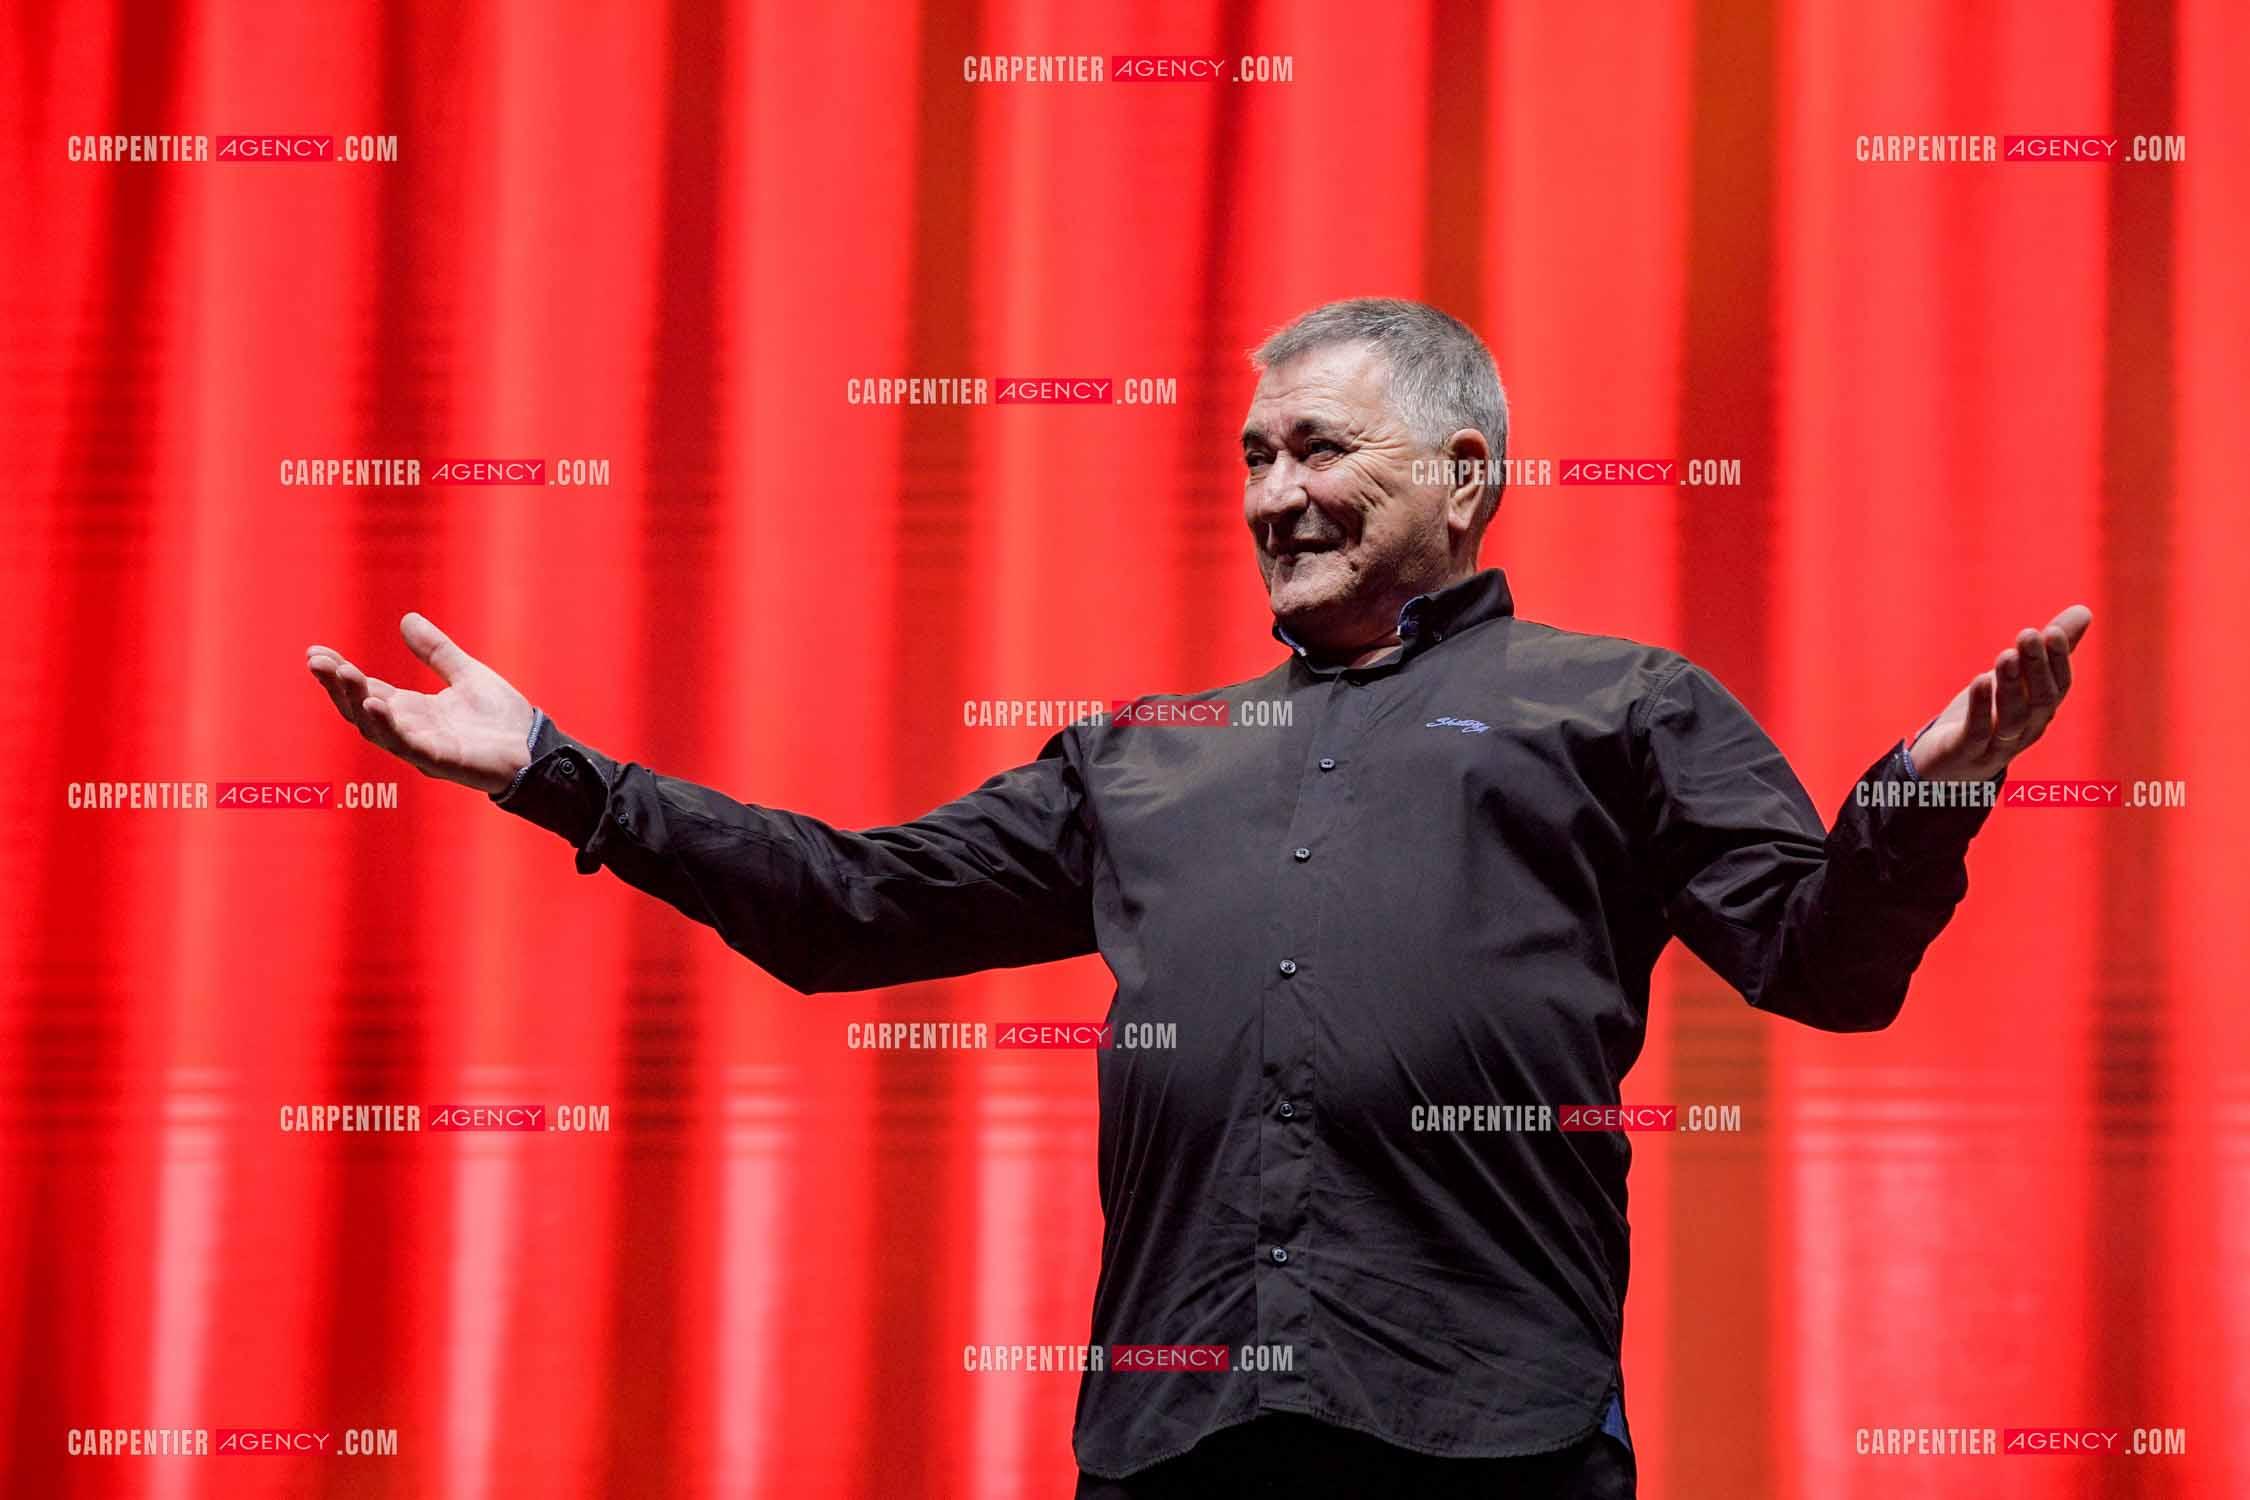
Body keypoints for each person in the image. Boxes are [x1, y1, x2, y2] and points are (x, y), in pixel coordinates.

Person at [307, 298, 2088, 1498]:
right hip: (1177, 1436)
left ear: (1463, 477)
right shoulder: (1141, 755)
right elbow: (850, 911)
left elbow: (1822, 968)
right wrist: (555, 771)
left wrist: (1930, 790)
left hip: (1489, 1432)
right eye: (1253, 457)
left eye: (1318, 450)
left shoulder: (1618, 706)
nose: (1273, 497)